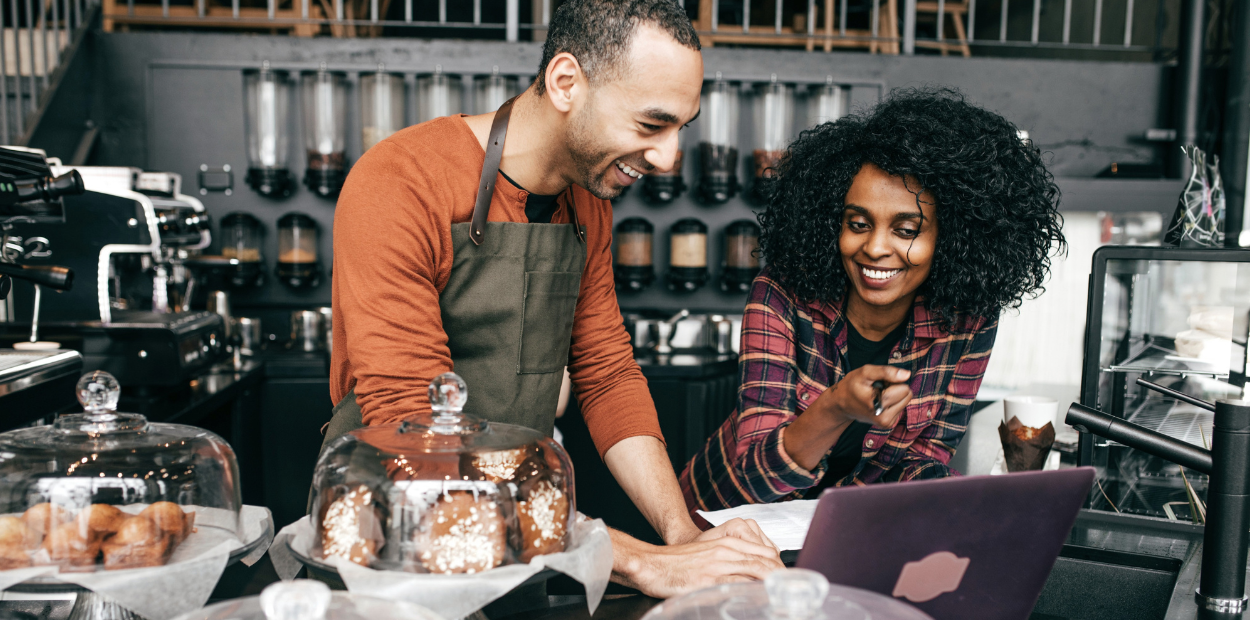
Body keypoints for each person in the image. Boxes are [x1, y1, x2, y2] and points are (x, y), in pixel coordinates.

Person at [330, 0, 782, 597]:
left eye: (681, 128)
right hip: (394, 534)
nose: (670, 158)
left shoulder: (586, 204)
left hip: (521, 534)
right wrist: (642, 561)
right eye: (651, 125)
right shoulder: (402, 181)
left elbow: (606, 371)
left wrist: (681, 536)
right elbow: (415, 431)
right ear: (566, 82)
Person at [680, 88, 1065, 513]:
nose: (876, 248)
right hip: (718, 524)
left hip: (841, 532)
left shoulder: (968, 318)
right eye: (858, 223)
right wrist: (837, 407)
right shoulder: (782, 293)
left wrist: (967, 501)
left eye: (906, 230)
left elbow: (926, 456)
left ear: (953, 238)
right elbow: (755, 474)